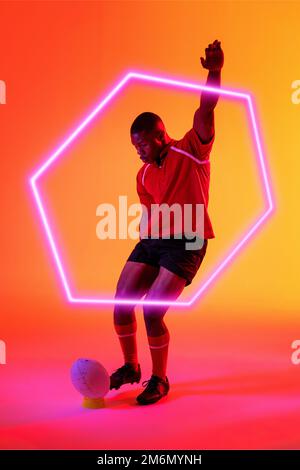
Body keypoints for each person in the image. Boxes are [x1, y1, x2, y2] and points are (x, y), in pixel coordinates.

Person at [110, 40, 224, 405]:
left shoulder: (191, 149)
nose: (139, 151)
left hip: (189, 239)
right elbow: (150, 213)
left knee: (153, 311)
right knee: (120, 304)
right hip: (156, 240)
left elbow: (206, 108)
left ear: (161, 135)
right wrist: (148, 246)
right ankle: (131, 366)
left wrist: (215, 71)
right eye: (134, 147)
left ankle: (160, 379)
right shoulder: (142, 175)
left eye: (143, 144)